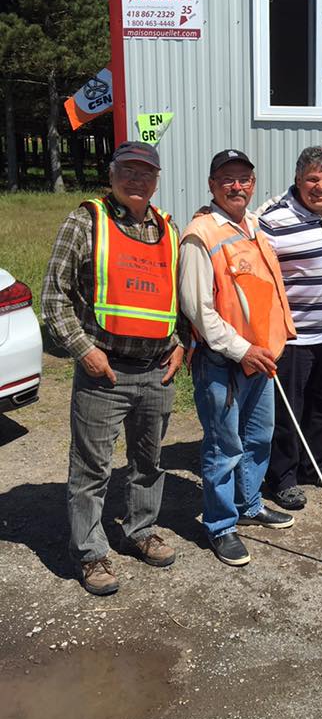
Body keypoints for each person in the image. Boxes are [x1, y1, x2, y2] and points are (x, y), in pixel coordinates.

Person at [42, 141, 185, 596]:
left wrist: (180, 344)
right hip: (103, 371)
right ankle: (90, 553)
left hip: (157, 371)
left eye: (146, 172)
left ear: (157, 180)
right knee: (92, 469)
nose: (137, 179)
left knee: (149, 462)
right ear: (111, 174)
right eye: (128, 170)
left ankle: (141, 530)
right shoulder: (86, 221)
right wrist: (84, 351)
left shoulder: (168, 229)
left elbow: (175, 298)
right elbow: (54, 296)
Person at [179, 149, 296, 567]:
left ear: (253, 183)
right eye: (227, 179)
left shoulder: (253, 225)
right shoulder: (200, 234)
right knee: (223, 446)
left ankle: (249, 505)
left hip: (260, 358)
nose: (237, 186)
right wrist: (242, 349)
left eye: (244, 178)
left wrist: (264, 345)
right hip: (224, 362)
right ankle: (221, 525)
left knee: (258, 438)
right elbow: (198, 309)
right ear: (212, 185)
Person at [258, 146, 322, 510]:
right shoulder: (273, 219)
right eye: (312, 179)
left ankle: (316, 466)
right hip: (295, 336)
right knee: (288, 413)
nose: (320, 187)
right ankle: (282, 477)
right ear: (298, 179)